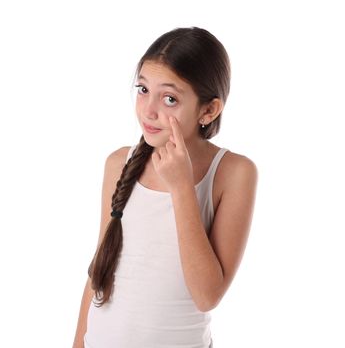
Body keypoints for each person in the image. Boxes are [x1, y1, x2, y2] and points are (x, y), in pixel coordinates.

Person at [72, 26, 258, 348]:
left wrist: (182, 187)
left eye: (169, 98)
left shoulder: (233, 173)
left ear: (208, 110)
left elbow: (206, 295)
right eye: (143, 89)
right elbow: (98, 274)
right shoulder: (118, 163)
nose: (149, 110)